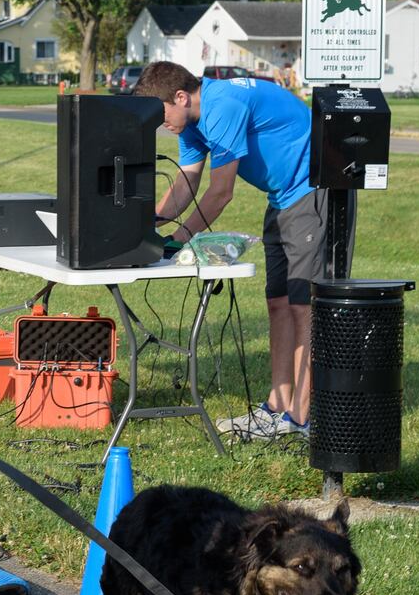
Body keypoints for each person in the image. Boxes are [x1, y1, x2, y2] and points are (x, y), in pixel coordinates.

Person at [135, 60, 323, 439]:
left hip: (313, 191)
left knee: (304, 306)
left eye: (162, 113)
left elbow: (221, 193)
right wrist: (145, 226)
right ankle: (278, 406)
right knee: (278, 303)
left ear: (181, 96)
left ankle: (302, 418)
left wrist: (180, 238)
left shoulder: (222, 106)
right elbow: (187, 184)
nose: (161, 124)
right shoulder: (191, 122)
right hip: (283, 198)